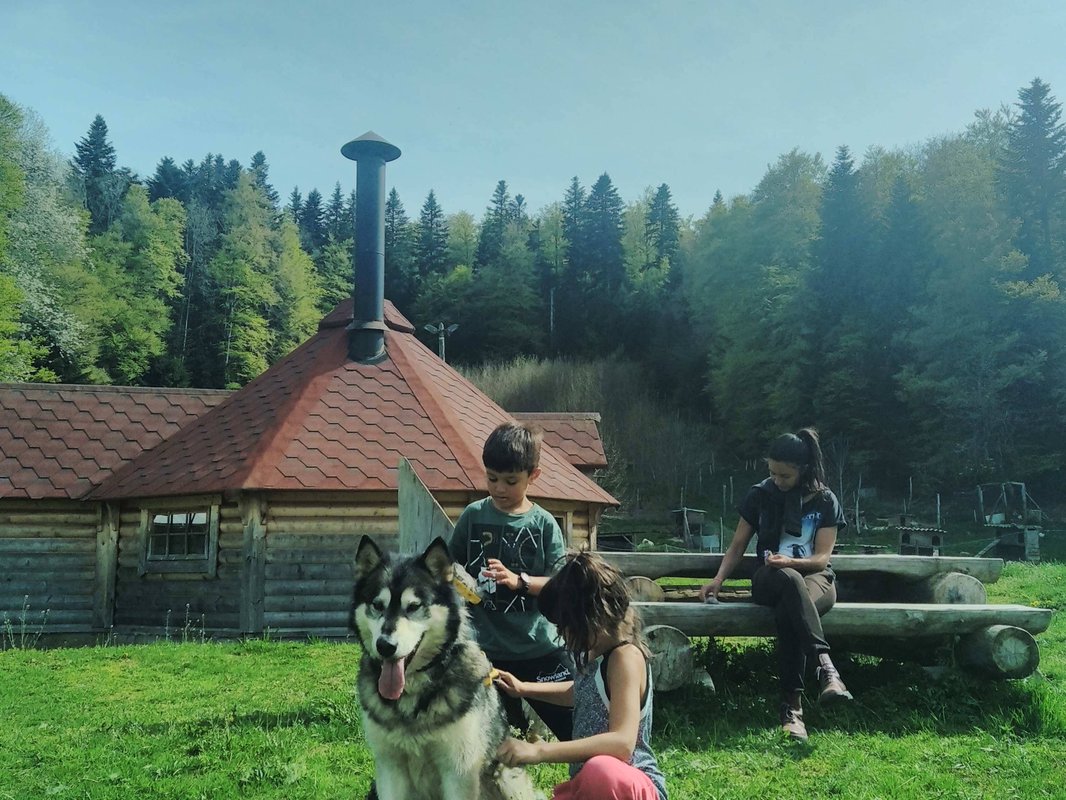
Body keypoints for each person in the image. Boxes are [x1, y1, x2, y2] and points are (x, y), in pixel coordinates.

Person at [699, 427, 852, 742]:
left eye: (784, 476)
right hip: (769, 577)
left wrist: (793, 563)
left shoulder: (825, 500)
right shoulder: (760, 494)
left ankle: (792, 711)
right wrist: (718, 579)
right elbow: (739, 544)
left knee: (790, 611)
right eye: (772, 472)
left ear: (803, 469)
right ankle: (826, 667)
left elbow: (822, 559)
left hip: (816, 579)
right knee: (788, 583)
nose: (777, 480)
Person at [495, 550, 668, 800]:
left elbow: (622, 743)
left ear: (588, 616)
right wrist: (523, 688)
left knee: (601, 770)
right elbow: (583, 692)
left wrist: (540, 751)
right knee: (592, 775)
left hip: (629, 782)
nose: (562, 634)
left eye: (563, 625)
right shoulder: (596, 655)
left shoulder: (625, 658)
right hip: (589, 786)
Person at [448, 421, 574, 741]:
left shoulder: (544, 525)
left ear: (534, 476)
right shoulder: (472, 516)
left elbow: (561, 586)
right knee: (488, 741)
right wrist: (458, 580)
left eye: (510, 480)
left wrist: (520, 582)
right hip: (484, 651)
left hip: (538, 648)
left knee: (578, 730)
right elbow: (447, 567)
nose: (499, 488)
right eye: (491, 478)